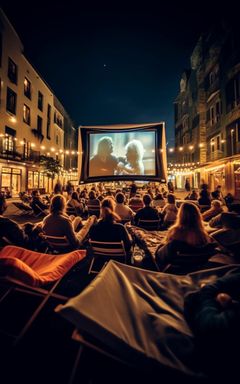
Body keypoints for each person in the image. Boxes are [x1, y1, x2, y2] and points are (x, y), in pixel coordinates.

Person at [155, 202, 214, 269]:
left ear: (180, 215)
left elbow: (162, 254)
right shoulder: (203, 235)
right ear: (197, 216)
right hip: (195, 268)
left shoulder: (175, 231)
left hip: (176, 269)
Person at [89, 197, 133, 261]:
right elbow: (128, 247)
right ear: (113, 209)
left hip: (100, 259)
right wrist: (130, 237)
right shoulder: (120, 228)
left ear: (101, 210)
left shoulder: (93, 228)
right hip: (118, 260)